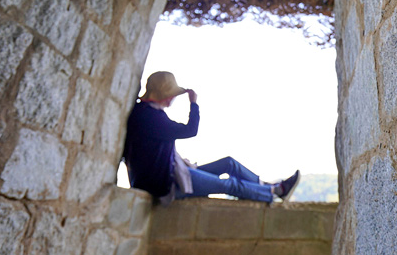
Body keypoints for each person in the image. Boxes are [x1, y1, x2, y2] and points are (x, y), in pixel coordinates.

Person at [123, 71, 299, 205]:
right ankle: (274, 191)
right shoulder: (151, 118)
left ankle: (262, 184)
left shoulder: (146, 112)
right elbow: (190, 130)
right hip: (166, 184)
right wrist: (193, 103)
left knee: (228, 163)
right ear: (167, 96)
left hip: (170, 173)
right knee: (228, 185)